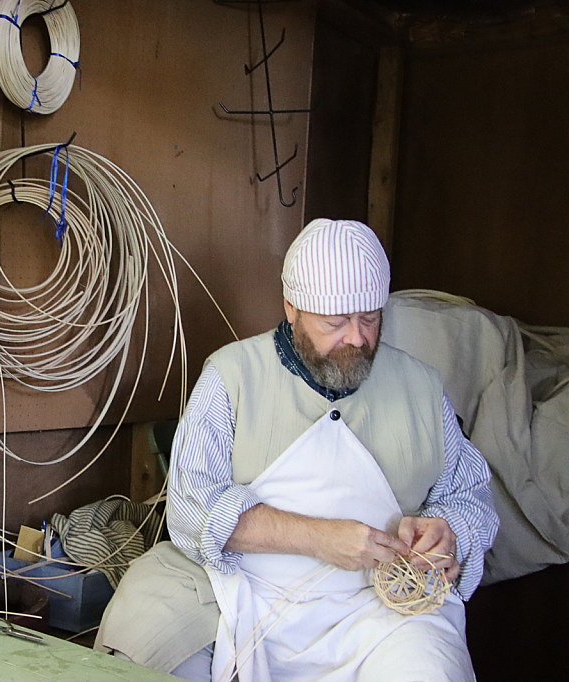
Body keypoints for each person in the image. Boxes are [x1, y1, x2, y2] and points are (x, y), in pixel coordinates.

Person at [94, 219, 499, 682]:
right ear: (292, 307)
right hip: (237, 588)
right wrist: (321, 538)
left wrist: (449, 532)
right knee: (145, 637)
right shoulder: (232, 375)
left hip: (375, 608)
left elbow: (470, 495)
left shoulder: (421, 388)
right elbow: (192, 510)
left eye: (369, 318)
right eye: (335, 322)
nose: (357, 338)